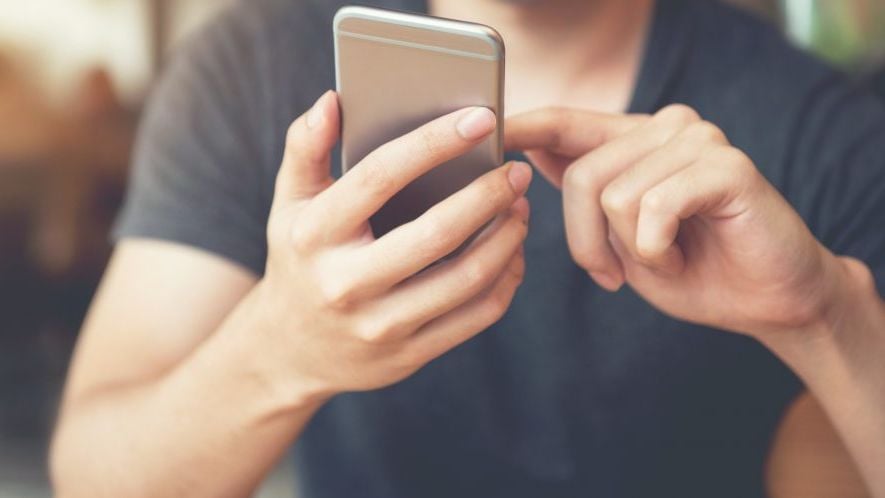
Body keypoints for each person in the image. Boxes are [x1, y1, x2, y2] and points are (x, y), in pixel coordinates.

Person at [50, 0, 885, 496]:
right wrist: (278, 353)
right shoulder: (252, 64)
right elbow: (91, 479)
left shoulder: (825, 129)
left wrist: (830, 314)